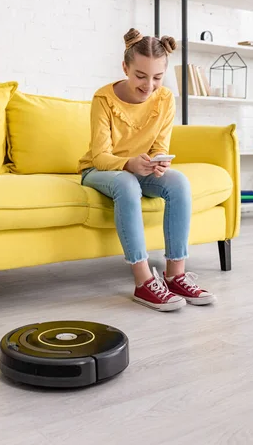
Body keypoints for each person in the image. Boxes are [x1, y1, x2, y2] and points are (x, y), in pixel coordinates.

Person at [78, 28, 215, 312]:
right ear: (125, 67)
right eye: (140, 76)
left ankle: (175, 275)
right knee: (127, 183)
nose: (149, 85)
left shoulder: (164, 99)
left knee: (178, 182)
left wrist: (159, 162)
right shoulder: (103, 99)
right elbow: (100, 156)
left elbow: (159, 147)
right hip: (101, 170)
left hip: (139, 169)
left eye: (157, 77)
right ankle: (143, 281)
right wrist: (128, 163)